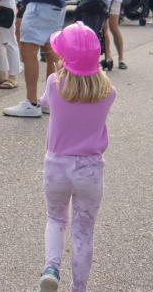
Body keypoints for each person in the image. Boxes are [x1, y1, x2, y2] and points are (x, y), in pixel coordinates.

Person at [37, 22, 116, 292]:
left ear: (65, 58)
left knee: (56, 219)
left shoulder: (54, 84)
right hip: (90, 170)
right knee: (84, 230)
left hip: (57, 166)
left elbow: (44, 102)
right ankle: (78, 288)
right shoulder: (108, 92)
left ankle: (51, 268)